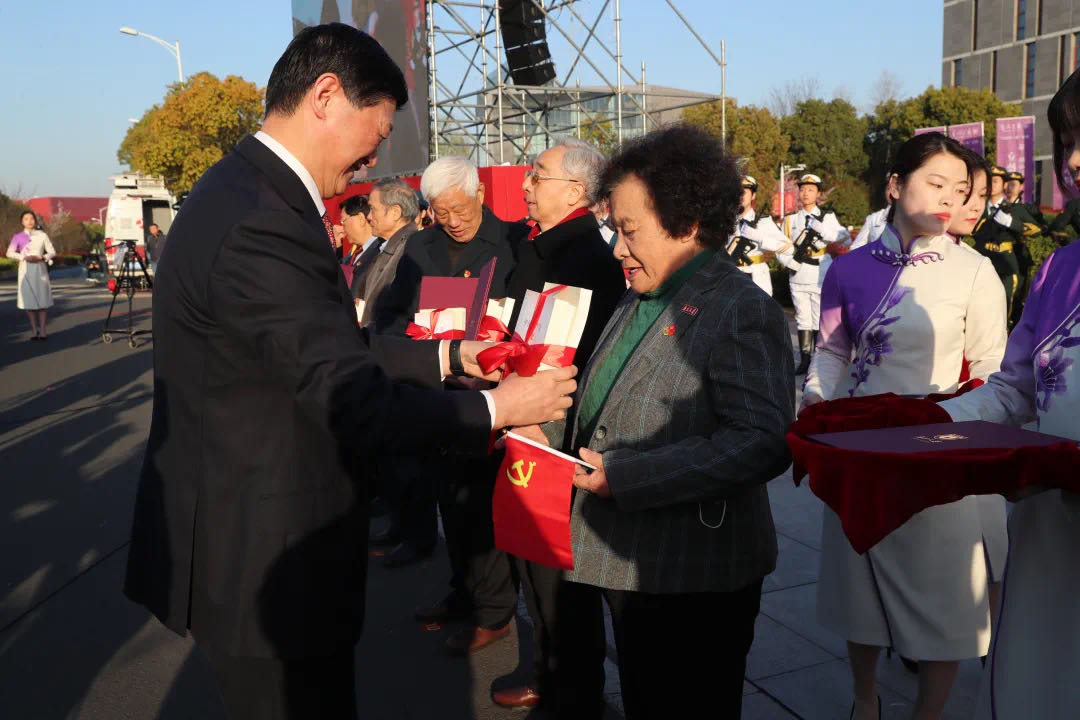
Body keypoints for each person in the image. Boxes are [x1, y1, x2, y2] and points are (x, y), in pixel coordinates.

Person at [122, 24, 577, 720]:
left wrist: (449, 356)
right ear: (327, 96)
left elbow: (325, 346)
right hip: (264, 556)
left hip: (255, 541)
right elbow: (349, 395)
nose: (375, 156)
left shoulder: (249, 192)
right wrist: (501, 408)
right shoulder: (261, 220)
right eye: (380, 128)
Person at [526, 124, 794, 719]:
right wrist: (534, 424)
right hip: (631, 562)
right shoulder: (642, 293)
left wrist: (626, 475)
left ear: (688, 222)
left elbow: (761, 441)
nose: (617, 249)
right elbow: (604, 398)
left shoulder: (739, 309)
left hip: (695, 575)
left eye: (629, 230)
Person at [801, 133, 1007, 720]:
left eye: (960, 190)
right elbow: (832, 350)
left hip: (937, 455)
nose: (949, 199)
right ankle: (864, 700)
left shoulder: (975, 271)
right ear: (895, 185)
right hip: (860, 452)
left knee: (944, 603)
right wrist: (816, 399)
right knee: (858, 594)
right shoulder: (847, 269)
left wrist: (946, 427)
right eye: (935, 184)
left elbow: (993, 369)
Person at [938, 68, 1080, 720]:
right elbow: (1017, 390)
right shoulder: (1059, 270)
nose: (1073, 161)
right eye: (1067, 140)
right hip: (1049, 540)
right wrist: (920, 424)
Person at [492, 137, 626, 711]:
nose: (525, 185)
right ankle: (552, 673)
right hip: (526, 419)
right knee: (533, 565)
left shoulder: (584, 259)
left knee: (557, 579)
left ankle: (571, 689)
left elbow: (569, 357)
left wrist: (531, 417)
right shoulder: (538, 247)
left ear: (575, 191)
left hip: (555, 433)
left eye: (537, 175)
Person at [377, 155, 525, 657]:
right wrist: (415, 342)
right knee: (450, 501)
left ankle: (494, 612)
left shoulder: (512, 242)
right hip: (436, 393)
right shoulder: (420, 247)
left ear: (480, 194)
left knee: (481, 508)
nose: (453, 221)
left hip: (491, 397)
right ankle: (462, 592)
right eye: (441, 213)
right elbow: (391, 315)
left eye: (460, 210)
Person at [356, 178, 433, 570]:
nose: (368, 215)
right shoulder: (386, 246)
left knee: (408, 462)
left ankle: (416, 536)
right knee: (391, 458)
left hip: (399, 359)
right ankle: (401, 527)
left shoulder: (410, 247)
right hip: (380, 353)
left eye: (373, 208)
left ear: (395, 212)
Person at [781, 173, 851, 374]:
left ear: (818, 194)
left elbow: (845, 238)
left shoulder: (827, 217)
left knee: (819, 315)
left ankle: (819, 359)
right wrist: (787, 261)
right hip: (798, 271)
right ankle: (805, 360)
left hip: (820, 270)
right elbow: (782, 246)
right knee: (802, 317)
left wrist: (823, 230)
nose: (805, 193)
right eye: (802, 189)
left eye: (811, 190)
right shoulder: (791, 219)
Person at [727, 175, 798, 297]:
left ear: (753, 195)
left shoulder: (764, 222)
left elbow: (789, 249)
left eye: (745, 192)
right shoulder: (726, 221)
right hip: (730, 277)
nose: (741, 195)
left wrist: (760, 238)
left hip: (757, 277)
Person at [972, 166, 1025, 322]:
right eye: (989, 181)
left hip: (1006, 262)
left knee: (1007, 300)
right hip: (981, 259)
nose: (991, 185)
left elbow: (1035, 230)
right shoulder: (977, 207)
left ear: (1004, 185)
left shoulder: (1013, 208)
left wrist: (1010, 223)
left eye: (995, 181)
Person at [7, 210, 55, 340]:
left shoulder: (42, 235)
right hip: (25, 270)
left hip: (40, 269)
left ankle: (43, 330)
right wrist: (24, 257)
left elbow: (52, 252)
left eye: (32, 218)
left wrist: (42, 257)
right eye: (26, 219)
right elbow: (9, 252)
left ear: (35, 220)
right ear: (22, 222)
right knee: (29, 302)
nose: (29, 221)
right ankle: (34, 330)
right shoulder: (18, 237)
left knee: (42, 300)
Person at [850, 186, 894, 250]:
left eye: (897, 188)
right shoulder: (873, 218)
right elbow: (857, 246)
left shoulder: (909, 219)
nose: (892, 192)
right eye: (889, 188)